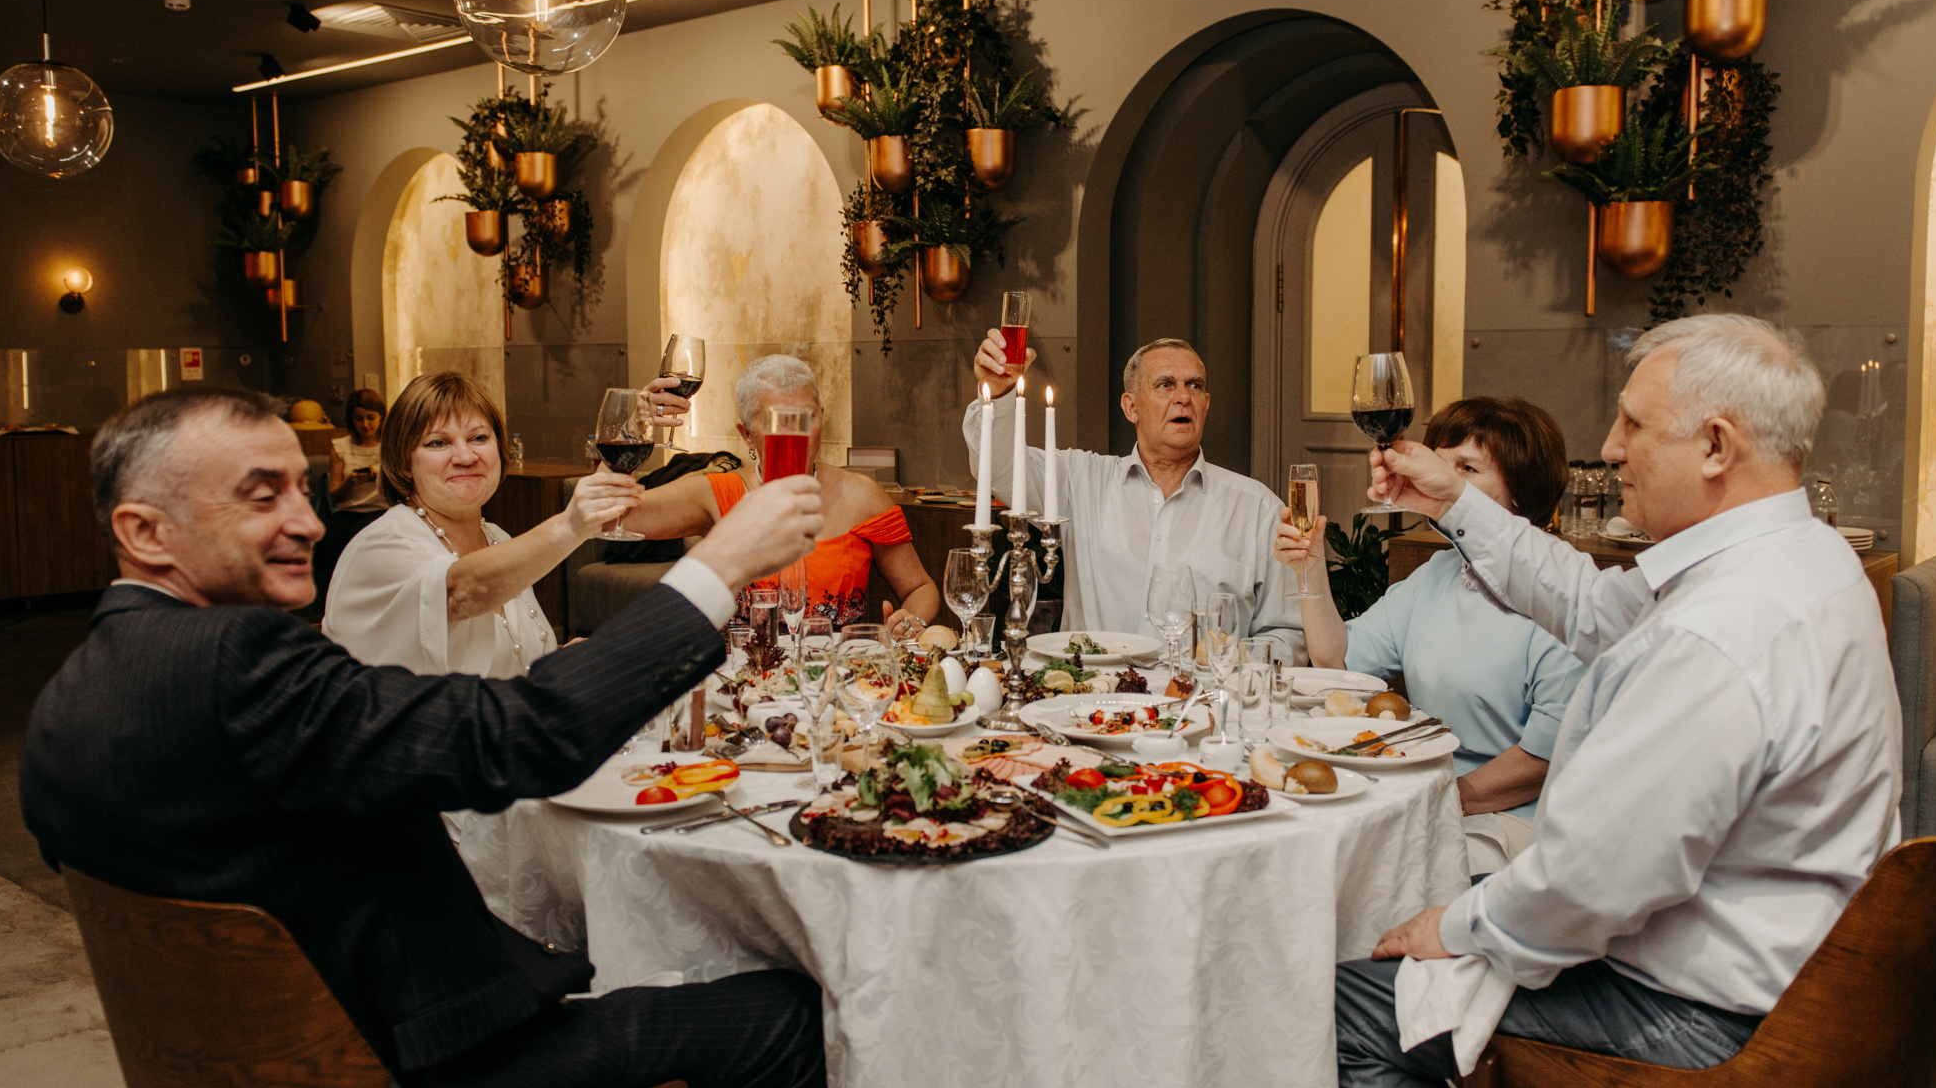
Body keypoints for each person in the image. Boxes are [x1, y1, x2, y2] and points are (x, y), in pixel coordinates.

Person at [19, 387, 831, 1088]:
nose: (308, 523)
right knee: (784, 1023)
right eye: (261, 496)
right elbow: (517, 738)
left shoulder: (71, 699)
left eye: (303, 489)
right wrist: (716, 568)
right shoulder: (239, 665)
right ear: (146, 531)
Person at [1334, 315, 1902, 1088]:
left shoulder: (1724, 632)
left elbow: (1589, 885)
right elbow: (1593, 609)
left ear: (1716, 446)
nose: (1610, 448)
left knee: (1354, 1005)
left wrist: (1452, 927)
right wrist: (1457, 501)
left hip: (1722, 1027)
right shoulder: (1796, 564)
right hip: (1812, 989)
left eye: (1635, 425)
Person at [322, 371, 643, 974]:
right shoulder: (383, 546)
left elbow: (515, 665)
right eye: (438, 443)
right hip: (434, 823)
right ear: (402, 462)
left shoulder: (493, 536)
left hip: (516, 783)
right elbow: (462, 594)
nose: (466, 455)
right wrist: (574, 523)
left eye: (479, 437)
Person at [1273, 396, 1583, 877]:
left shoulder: (1560, 594)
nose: (1445, 479)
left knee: (1362, 869)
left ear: (1521, 490)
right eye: (1442, 463)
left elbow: (1544, 759)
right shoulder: (1441, 572)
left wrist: (1436, 802)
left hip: (1511, 820)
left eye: (1468, 468)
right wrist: (1310, 569)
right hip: (1425, 793)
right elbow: (1338, 660)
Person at [964, 331, 1304, 660]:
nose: (1183, 397)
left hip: (1200, 705)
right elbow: (998, 467)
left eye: (1194, 386)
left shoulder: (1257, 509)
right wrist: (997, 394)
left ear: (1206, 404)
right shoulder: (1080, 480)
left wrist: (1226, 662)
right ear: (1131, 407)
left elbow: (1288, 634)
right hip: (1092, 700)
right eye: (1166, 385)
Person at [629, 354, 941, 635]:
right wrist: (634, 427)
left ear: (821, 416)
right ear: (746, 434)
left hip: (834, 681)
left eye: (808, 418)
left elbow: (920, 587)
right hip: (742, 686)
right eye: (780, 421)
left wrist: (910, 622)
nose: (798, 434)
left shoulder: (861, 495)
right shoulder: (717, 494)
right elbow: (623, 515)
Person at [313, 386, 387, 592]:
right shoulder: (340, 446)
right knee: (326, 542)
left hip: (382, 510)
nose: (365, 424)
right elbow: (334, 496)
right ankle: (326, 599)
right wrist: (350, 482)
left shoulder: (389, 445)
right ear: (351, 419)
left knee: (360, 535)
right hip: (348, 511)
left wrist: (380, 478)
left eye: (371, 418)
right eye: (358, 418)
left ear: (381, 417)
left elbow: (404, 487)